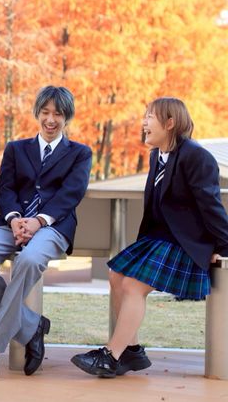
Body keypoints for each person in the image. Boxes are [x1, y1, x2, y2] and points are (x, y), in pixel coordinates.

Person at [71, 97, 228, 378]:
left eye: (149, 117)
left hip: (185, 243)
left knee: (133, 285)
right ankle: (131, 351)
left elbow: (211, 206)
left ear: (170, 123)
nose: (143, 123)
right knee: (116, 275)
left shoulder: (197, 157)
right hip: (159, 238)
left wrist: (224, 246)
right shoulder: (157, 155)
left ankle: (111, 355)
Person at [0, 86, 92, 381]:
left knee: (29, 260)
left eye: (57, 114)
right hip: (12, 222)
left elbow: (71, 193)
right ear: (37, 113)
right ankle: (31, 327)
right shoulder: (16, 148)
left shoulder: (80, 153)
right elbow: (6, 189)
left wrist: (39, 221)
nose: (50, 120)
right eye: (45, 112)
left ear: (67, 117)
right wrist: (14, 219)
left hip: (53, 225)